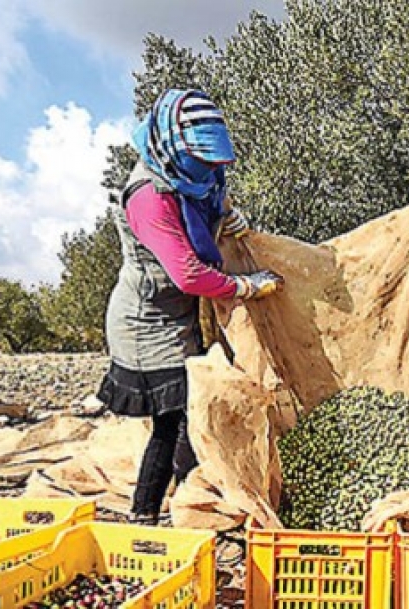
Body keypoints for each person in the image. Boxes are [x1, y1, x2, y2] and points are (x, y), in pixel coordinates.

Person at [96, 89, 283, 526]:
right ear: (173, 148)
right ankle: (149, 514)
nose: (210, 169)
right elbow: (189, 275)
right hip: (148, 323)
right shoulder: (148, 196)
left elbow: (212, 197)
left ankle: (194, 499)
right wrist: (247, 287)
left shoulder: (195, 174)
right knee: (175, 420)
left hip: (181, 317)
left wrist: (228, 218)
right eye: (201, 161)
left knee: (193, 412)